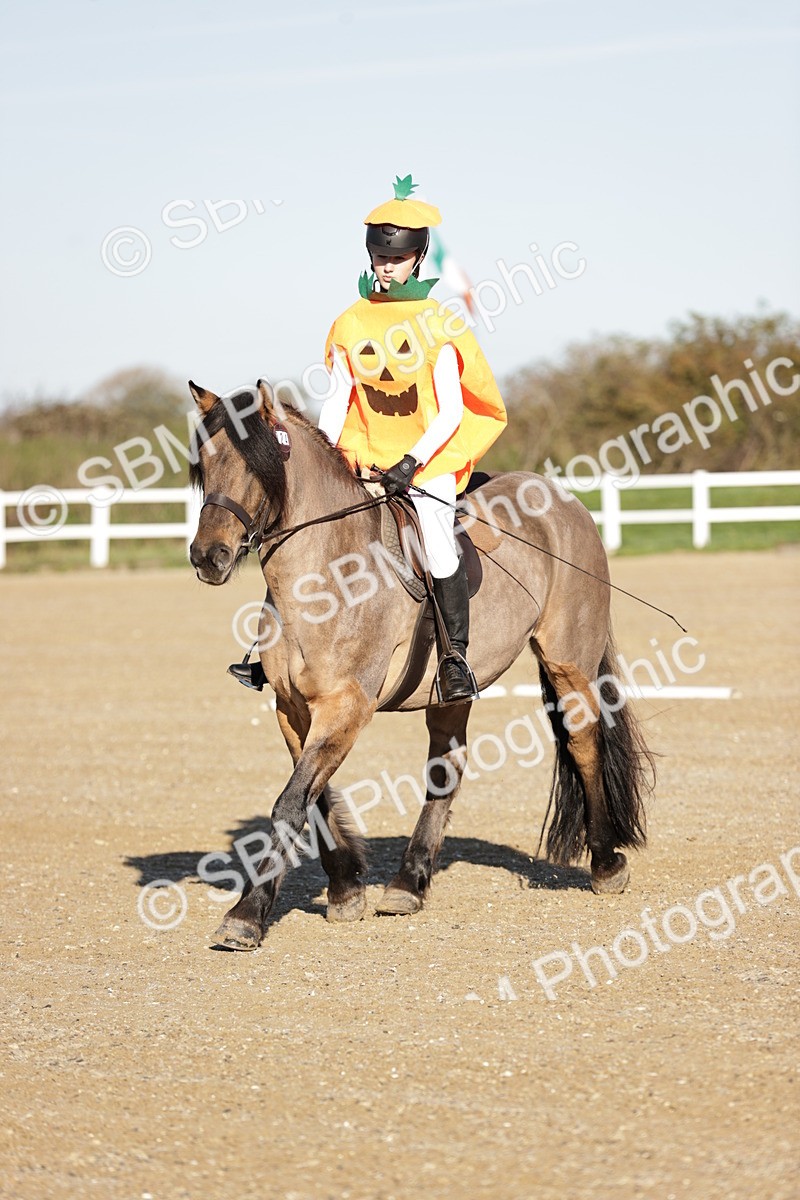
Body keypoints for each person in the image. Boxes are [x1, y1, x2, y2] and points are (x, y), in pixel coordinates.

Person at [317, 174, 507, 703]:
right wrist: (322, 456)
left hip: (427, 463)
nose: (386, 268)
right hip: (365, 458)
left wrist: (411, 461)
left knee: (438, 541)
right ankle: (272, 649)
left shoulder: (439, 323)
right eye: (379, 259)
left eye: (396, 260)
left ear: (419, 259)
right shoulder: (349, 323)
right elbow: (337, 400)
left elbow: (449, 413)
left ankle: (455, 659)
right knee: (310, 527)